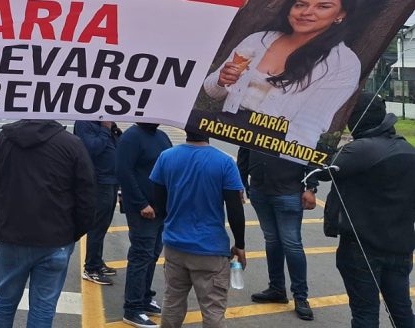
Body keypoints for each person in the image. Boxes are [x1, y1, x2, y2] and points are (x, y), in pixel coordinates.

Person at [203, 0, 361, 154]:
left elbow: (311, 124)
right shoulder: (258, 40)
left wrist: (286, 158)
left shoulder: (343, 62)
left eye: (323, 7)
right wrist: (222, 81)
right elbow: (212, 91)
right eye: (300, 5)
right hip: (228, 127)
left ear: (340, 15)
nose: (306, 12)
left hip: (278, 143)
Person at [0, 119, 95, 327]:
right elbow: (86, 197)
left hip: (13, 235)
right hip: (57, 238)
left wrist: (0, 222)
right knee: (43, 308)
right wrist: (72, 233)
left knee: (5, 302)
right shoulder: (71, 143)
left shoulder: (4, 139)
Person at [322, 93, 415, 328]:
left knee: (365, 314)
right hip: (400, 246)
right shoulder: (407, 148)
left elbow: (322, 169)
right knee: (402, 311)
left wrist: (323, 135)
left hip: (362, 248)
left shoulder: (360, 150)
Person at [150, 128, 246, 328]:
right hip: (211, 249)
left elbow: (158, 202)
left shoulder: (166, 157)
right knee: (213, 309)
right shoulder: (225, 162)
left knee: (172, 302)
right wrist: (240, 245)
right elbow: (235, 210)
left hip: (175, 246)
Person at [237, 147, 317, 320]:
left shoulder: (298, 130)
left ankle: (300, 297)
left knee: (292, 245)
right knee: (272, 240)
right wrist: (241, 183)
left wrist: (311, 187)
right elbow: (244, 151)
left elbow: (310, 152)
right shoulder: (255, 129)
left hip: (288, 192)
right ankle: (276, 288)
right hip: (260, 191)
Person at [116, 122, 173, 327]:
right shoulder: (131, 137)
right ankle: (132, 308)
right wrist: (141, 203)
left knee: (152, 254)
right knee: (141, 256)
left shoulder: (162, 136)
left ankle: (145, 297)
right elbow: (124, 172)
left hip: (161, 209)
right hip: (143, 210)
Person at [75, 119, 122, 285]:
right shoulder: (84, 123)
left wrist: (113, 130)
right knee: (97, 225)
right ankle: (91, 268)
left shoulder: (104, 124)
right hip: (99, 181)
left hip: (111, 180)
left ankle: (96, 260)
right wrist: (105, 129)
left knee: (103, 225)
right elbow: (91, 149)